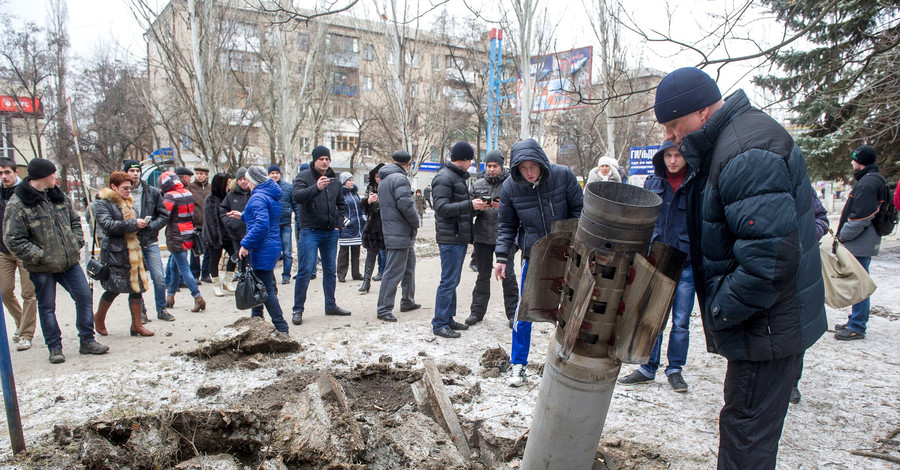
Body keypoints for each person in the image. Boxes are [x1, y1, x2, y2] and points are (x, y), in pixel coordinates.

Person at [653, 66, 825, 468]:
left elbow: (769, 261)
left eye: (674, 126)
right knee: (746, 426)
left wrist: (719, 308)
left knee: (746, 432)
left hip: (765, 324)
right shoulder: (735, 140)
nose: (670, 138)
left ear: (702, 113)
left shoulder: (746, 152)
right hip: (766, 321)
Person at [493, 139, 583, 386]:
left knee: (573, 310)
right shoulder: (510, 187)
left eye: (533, 165)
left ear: (542, 162)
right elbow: (507, 225)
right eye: (524, 167)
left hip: (568, 254)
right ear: (517, 169)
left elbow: (580, 211)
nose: (530, 172)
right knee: (523, 312)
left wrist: (570, 240)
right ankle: (518, 364)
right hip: (534, 255)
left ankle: (568, 362)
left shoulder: (563, 176)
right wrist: (502, 257)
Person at [3, 158, 109, 363]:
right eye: (53, 174)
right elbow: (12, 239)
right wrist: (39, 255)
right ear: (43, 176)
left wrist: (76, 241)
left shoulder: (58, 196)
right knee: (47, 306)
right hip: (41, 267)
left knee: (84, 297)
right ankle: (55, 348)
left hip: (68, 263)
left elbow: (74, 221)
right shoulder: (19, 203)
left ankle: (87, 340)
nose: (55, 177)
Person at [618, 141, 695, 392]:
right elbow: (645, 220)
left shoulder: (696, 183)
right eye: (668, 156)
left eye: (678, 156)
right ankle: (647, 367)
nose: (673, 161)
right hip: (657, 260)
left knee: (681, 320)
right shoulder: (653, 183)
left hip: (685, 261)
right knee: (652, 316)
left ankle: (675, 369)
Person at [432, 142, 490, 339]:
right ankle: (439, 322)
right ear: (464, 159)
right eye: (470, 160)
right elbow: (441, 208)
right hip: (450, 237)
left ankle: (447, 318)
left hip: (457, 236)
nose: (471, 163)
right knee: (448, 281)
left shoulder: (455, 177)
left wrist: (476, 208)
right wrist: (469, 204)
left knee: (453, 280)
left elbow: (458, 208)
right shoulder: (444, 177)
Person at [291, 146, 351, 324]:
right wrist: (316, 188)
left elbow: (341, 204)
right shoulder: (304, 176)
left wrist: (338, 225)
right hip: (310, 230)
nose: (324, 162)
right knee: (306, 270)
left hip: (330, 232)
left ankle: (330, 305)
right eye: (321, 159)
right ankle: (298, 309)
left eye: (327, 159)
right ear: (314, 160)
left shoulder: (334, 180)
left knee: (330, 271)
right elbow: (297, 197)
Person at [92, 172, 154, 337]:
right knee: (114, 288)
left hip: (133, 250)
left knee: (136, 288)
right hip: (115, 253)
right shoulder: (103, 203)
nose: (129, 191)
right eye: (125, 188)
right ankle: (99, 318)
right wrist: (134, 223)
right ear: (113, 187)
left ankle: (137, 325)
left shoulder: (128, 201)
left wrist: (144, 226)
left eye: (130, 188)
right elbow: (107, 225)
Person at [834, 145, 886, 341]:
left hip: (861, 240)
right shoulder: (873, 179)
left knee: (859, 283)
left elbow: (860, 218)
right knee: (858, 281)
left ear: (861, 162)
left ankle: (857, 325)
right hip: (864, 240)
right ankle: (855, 320)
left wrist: (842, 236)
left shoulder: (868, 183)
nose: (852, 162)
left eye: (854, 159)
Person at [466, 149, 518, 327]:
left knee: (508, 276)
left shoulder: (512, 184)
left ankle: (513, 314)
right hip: (482, 236)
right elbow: (467, 210)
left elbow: (519, 209)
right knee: (482, 276)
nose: (491, 169)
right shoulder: (477, 184)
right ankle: (476, 312)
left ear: (501, 166)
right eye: (488, 166)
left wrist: (503, 206)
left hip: (505, 238)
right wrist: (476, 207)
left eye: (494, 166)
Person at [238, 166, 290, 335]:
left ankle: (281, 327)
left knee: (264, 289)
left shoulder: (257, 197)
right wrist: (241, 215)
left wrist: (246, 244)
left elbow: (261, 224)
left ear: (253, 180)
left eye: (247, 179)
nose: (246, 183)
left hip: (262, 247)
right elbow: (261, 216)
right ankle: (257, 322)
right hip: (271, 244)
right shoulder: (269, 195)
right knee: (259, 286)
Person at [122, 159, 175, 323]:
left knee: (158, 277)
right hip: (130, 241)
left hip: (149, 240)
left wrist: (151, 226)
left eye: (137, 170)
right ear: (126, 173)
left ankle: (161, 308)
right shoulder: (122, 194)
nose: (135, 174)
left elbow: (163, 215)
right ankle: (141, 312)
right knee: (136, 279)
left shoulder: (151, 192)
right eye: (131, 171)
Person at [375, 151, 420, 322]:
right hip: (400, 231)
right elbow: (406, 205)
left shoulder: (385, 179)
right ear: (408, 164)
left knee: (408, 267)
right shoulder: (399, 179)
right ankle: (384, 308)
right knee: (393, 271)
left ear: (393, 161)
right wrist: (416, 222)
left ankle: (407, 300)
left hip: (397, 231)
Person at [0, 158, 37, 351]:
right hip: (3, 250)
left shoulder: (25, 192)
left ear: (16, 172)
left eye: (7, 172)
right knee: (5, 291)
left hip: (24, 249)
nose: (4, 177)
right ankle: (20, 320)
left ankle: (25, 334)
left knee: (28, 293)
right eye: (0, 173)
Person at [159, 171, 206, 312]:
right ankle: (170, 296)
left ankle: (198, 297)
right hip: (188, 233)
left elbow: (164, 216)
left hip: (175, 235)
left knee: (184, 268)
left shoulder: (169, 196)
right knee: (174, 265)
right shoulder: (187, 193)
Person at [219, 168, 251, 291]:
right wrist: (230, 222)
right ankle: (242, 282)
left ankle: (250, 282)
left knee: (251, 259)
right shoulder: (231, 195)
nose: (243, 182)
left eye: (245, 179)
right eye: (241, 180)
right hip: (236, 233)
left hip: (250, 232)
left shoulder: (254, 193)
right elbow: (222, 210)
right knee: (240, 258)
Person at [203, 173, 235, 297]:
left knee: (235, 255)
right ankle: (216, 285)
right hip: (215, 235)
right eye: (226, 184)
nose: (228, 186)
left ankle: (228, 280)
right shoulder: (210, 199)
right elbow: (210, 221)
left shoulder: (228, 197)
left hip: (228, 234)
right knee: (214, 259)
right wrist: (214, 238)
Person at [268, 165, 296, 285]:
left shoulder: (288, 187)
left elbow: (295, 204)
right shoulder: (265, 187)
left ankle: (286, 275)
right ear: (268, 175)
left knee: (287, 252)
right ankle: (271, 277)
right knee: (272, 252)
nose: (275, 175)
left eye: (277, 173)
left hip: (285, 224)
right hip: (271, 226)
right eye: (272, 173)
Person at [359, 164, 385, 294]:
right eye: (376, 176)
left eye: (380, 176)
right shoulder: (370, 188)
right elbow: (364, 208)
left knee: (389, 255)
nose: (378, 179)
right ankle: (366, 280)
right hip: (373, 227)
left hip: (387, 226)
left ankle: (385, 278)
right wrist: (368, 201)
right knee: (371, 255)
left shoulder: (389, 187)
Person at [337, 172, 365, 283]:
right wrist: (344, 220)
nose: (352, 182)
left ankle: (356, 273)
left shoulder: (355, 194)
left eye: (352, 180)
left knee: (356, 251)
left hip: (357, 227)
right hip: (347, 227)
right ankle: (341, 274)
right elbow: (337, 209)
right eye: (349, 180)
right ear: (344, 182)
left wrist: (363, 217)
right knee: (344, 252)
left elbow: (359, 208)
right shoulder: (340, 194)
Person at [188, 164, 211, 283]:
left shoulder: (210, 188)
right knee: (195, 251)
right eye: (197, 174)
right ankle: (195, 274)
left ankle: (206, 273)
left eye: (201, 174)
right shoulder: (190, 188)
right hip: (195, 223)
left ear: (207, 175)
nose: (199, 176)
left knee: (209, 250)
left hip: (208, 224)